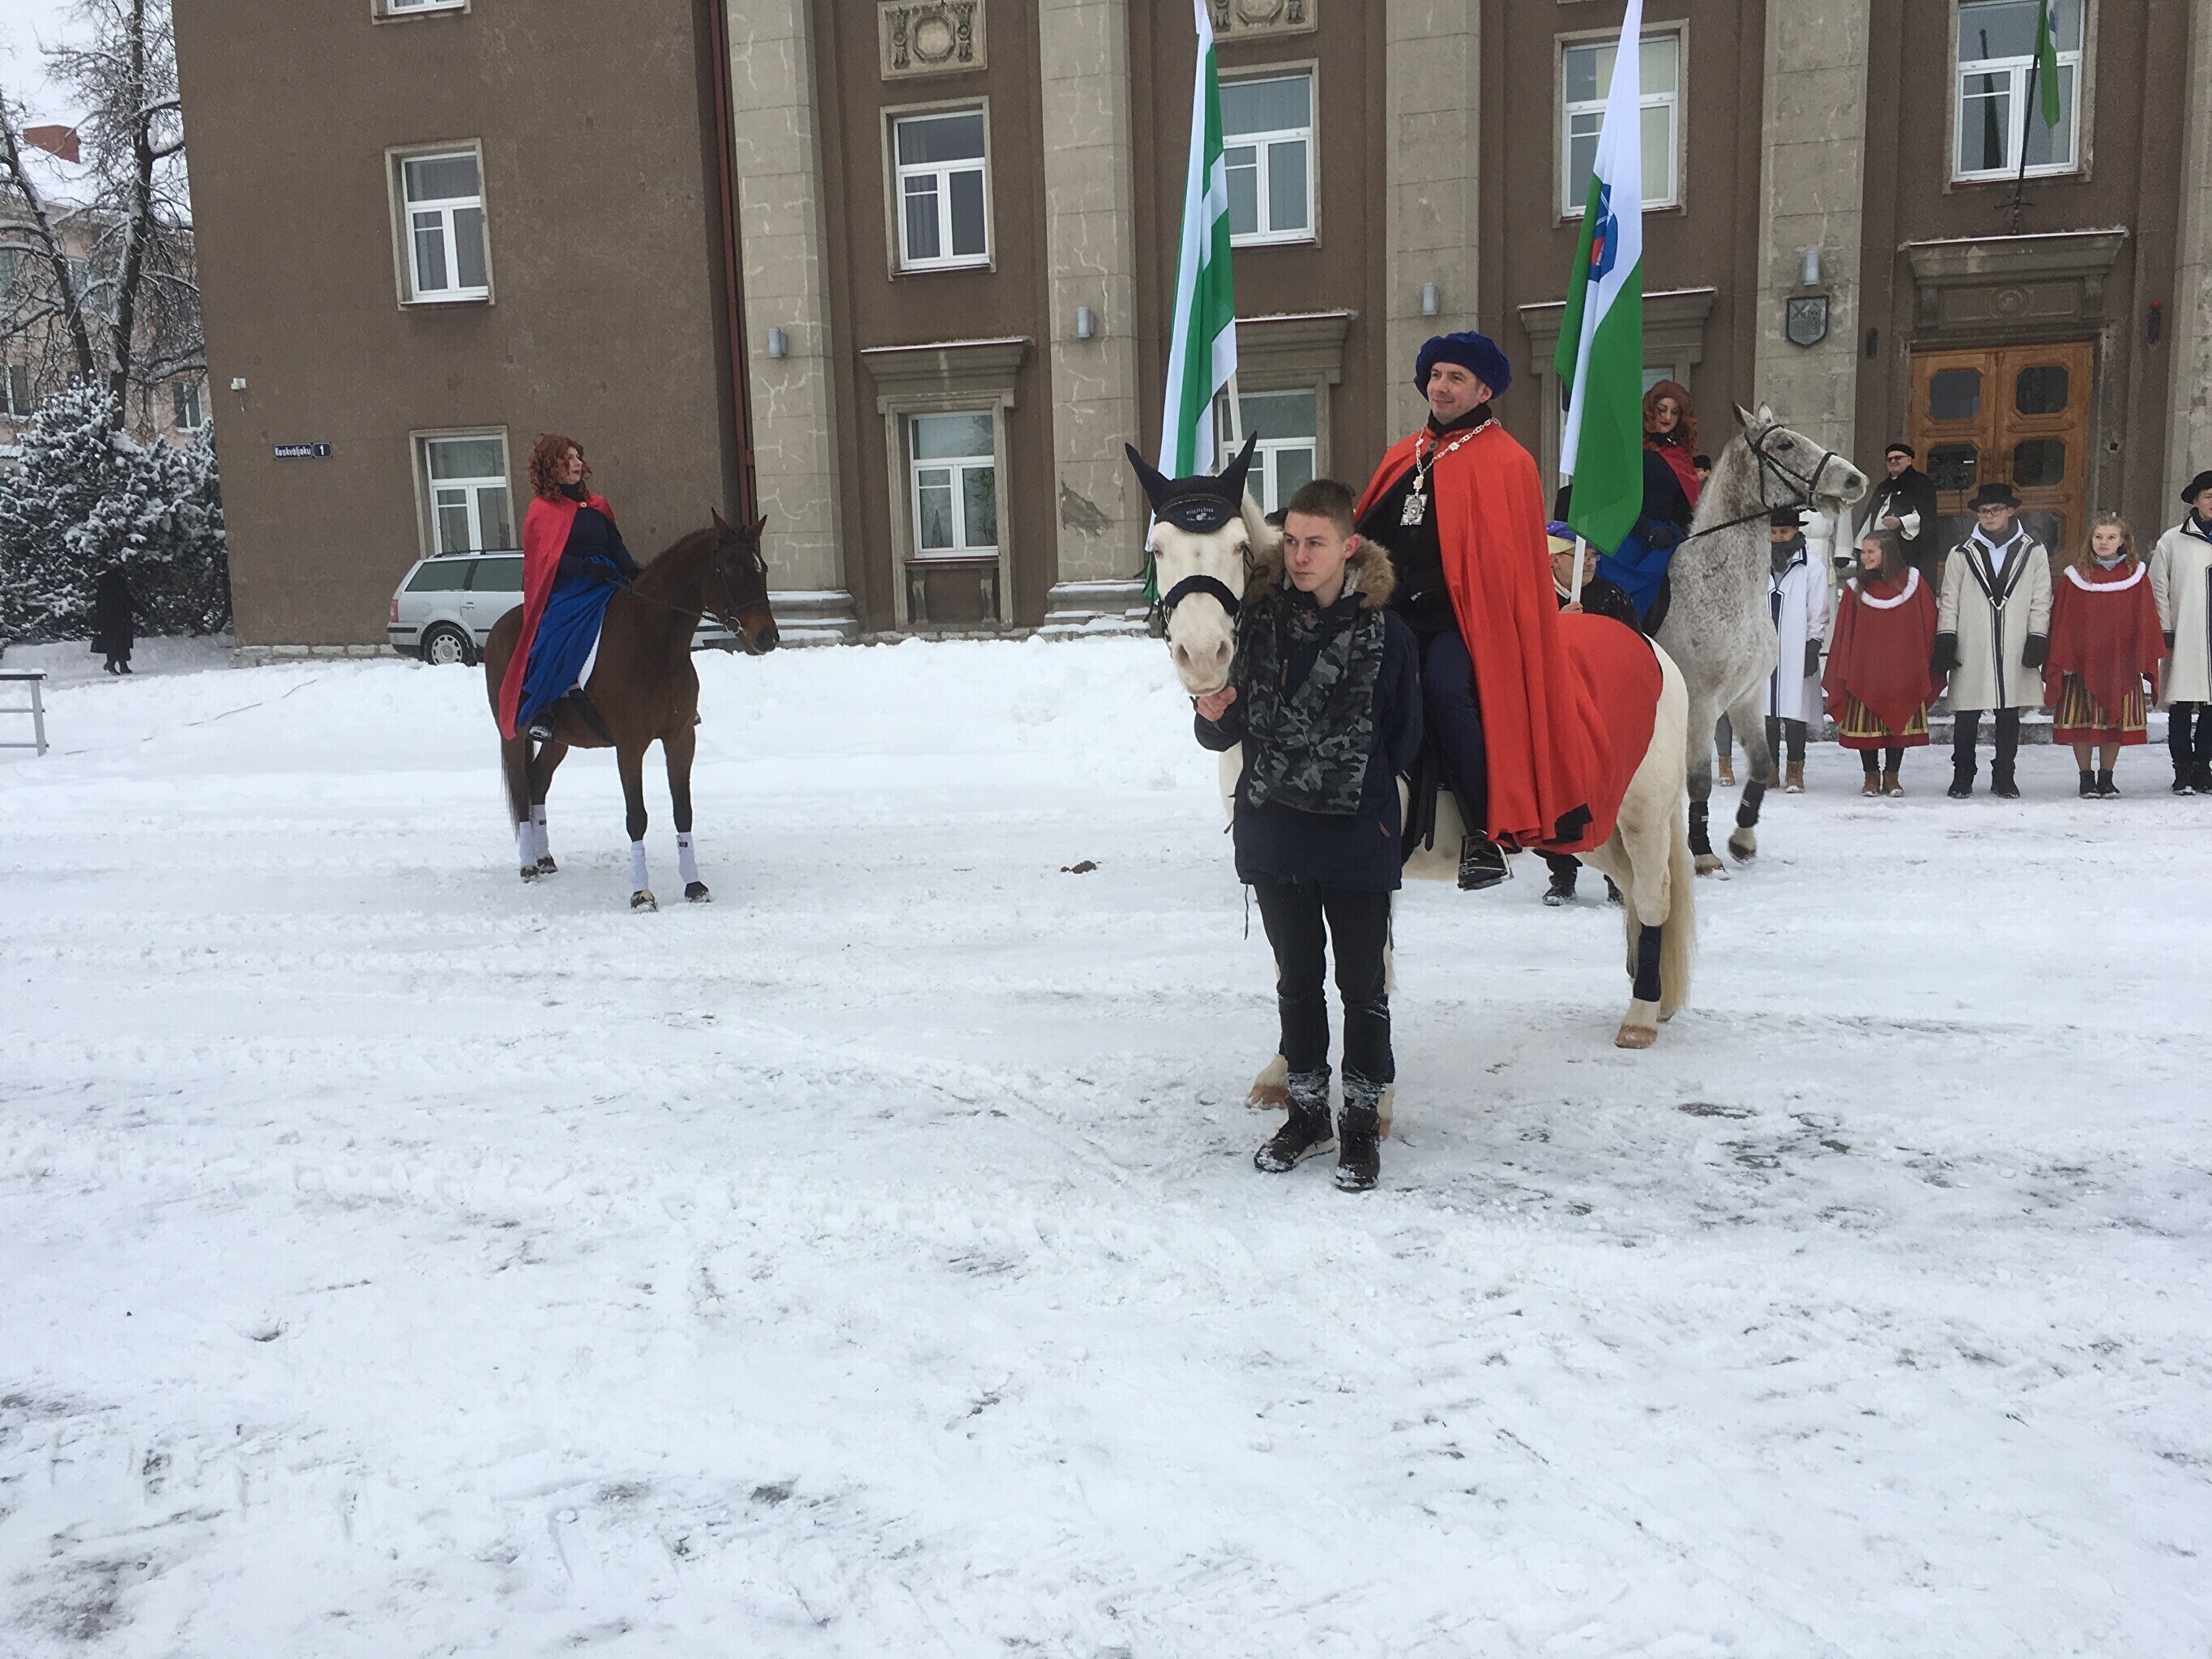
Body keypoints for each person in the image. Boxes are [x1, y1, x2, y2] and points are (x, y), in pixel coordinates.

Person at [1194, 479, 1420, 1193]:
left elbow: (1404, 734)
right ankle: (1308, 1114)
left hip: (1355, 837)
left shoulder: (1388, 634)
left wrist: (1363, 798)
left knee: (1362, 988)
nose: (1298, 556)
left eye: (1314, 543)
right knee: (1296, 984)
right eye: (1290, 541)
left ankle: (1361, 1122)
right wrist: (1214, 713)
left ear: (1349, 547)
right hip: (1276, 837)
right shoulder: (1258, 625)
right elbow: (1224, 730)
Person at [1354, 330, 1633, 894]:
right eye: (1436, 375)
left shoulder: (1509, 462)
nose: (1441, 386)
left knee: (1442, 687)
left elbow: (1502, 568)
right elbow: (1366, 534)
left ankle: (1483, 833)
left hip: (1467, 623)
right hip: (1392, 616)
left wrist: (1428, 590)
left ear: (1484, 391)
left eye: (1456, 378)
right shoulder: (1404, 455)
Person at [495, 433, 643, 743]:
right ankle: (545, 710)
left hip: (608, 579)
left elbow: (615, 545)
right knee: (553, 635)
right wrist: (587, 569)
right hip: (571, 587)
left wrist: (634, 572)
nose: (577, 463)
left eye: (578, 457)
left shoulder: (597, 505)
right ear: (552, 466)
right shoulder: (543, 509)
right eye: (569, 458)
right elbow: (548, 558)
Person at [1935, 482, 2052, 799]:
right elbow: (1949, 598)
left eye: (1996, 510)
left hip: (2015, 640)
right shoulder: (1962, 552)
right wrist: (1946, 637)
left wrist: (2037, 636)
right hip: (1971, 639)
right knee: (1967, 712)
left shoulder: (2033, 550)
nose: (1989, 516)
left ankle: (2004, 775)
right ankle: (1963, 774)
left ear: (2011, 511)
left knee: (2008, 712)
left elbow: (2041, 597)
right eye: (1983, 511)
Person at [1540, 527, 1638, 905]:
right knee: (1558, 796)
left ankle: (1615, 875)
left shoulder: (1612, 597)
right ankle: (1562, 874)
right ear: (1554, 561)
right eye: (1581, 556)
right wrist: (1559, 623)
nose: (1591, 563)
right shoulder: (1535, 597)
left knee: (1609, 795)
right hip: (1554, 715)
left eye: (1594, 556)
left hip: (1604, 711)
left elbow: (1636, 650)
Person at [2046, 513, 2166, 798]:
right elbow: (2063, 619)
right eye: (2098, 537)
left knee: (2115, 722)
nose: (2104, 542)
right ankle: (2086, 777)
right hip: (2082, 662)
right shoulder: (2075, 578)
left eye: (2111, 537)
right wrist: (2066, 653)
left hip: (2121, 662)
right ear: (2090, 540)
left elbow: (2146, 617)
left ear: (2123, 541)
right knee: (2082, 721)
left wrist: (2139, 653)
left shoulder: (2136, 577)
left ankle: (2107, 777)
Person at [1824, 527, 1938, 795]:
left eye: (1870, 552)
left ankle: (1892, 775)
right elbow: (1845, 631)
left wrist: (1926, 659)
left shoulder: (1914, 583)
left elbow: (1928, 621)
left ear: (1887, 553)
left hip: (1902, 669)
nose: (1864, 557)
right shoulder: (1856, 589)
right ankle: (1871, 776)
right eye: (1862, 552)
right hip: (1865, 671)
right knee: (1867, 729)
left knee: (1898, 724)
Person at [1591, 379, 1702, 629]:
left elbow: (1684, 506)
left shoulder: (1680, 457)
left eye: (1675, 412)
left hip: (1664, 543)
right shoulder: (1629, 449)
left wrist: (1678, 530)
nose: (1667, 417)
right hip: (1627, 537)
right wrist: (1647, 532)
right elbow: (1616, 499)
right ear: (1650, 410)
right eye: (1662, 409)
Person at [2148, 469, 2212, 792]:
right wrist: (2164, 627)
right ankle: (2182, 769)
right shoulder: (2173, 540)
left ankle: (2204, 767)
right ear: (2196, 501)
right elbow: (2158, 586)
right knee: (2182, 704)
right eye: (2209, 496)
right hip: (2187, 632)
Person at [1761, 507, 1829, 793]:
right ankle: (1769, 768)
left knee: (1794, 710)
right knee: (1766, 711)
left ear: (1796, 531)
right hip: (1763, 647)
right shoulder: (1757, 563)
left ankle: (1795, 770)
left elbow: (1818, 609)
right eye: (1774, 532)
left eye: (1784, 531)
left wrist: (1813, 645)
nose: (1778, 537)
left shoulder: (1811, 566)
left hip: (1795, 646)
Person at [1865, 442, 1942, 581]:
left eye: (1898, 458)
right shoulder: (1883, 486)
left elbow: (1927, 515)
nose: (1893, 461)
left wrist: (1901, 522)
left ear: (1909, 460)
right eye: (1889, 459)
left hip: (1910, 549)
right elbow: (1870, 515)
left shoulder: (1921, 483)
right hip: (1881, 549)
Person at [90, 558, 136, 675]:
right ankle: (115, 664)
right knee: (120, 642)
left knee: (113, 642)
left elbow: (99, 601)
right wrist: (142, 611)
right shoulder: (118, 582)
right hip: (119, 616)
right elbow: (126, 599)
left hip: (107, 617)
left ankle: (119, 665)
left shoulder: (104, 582)